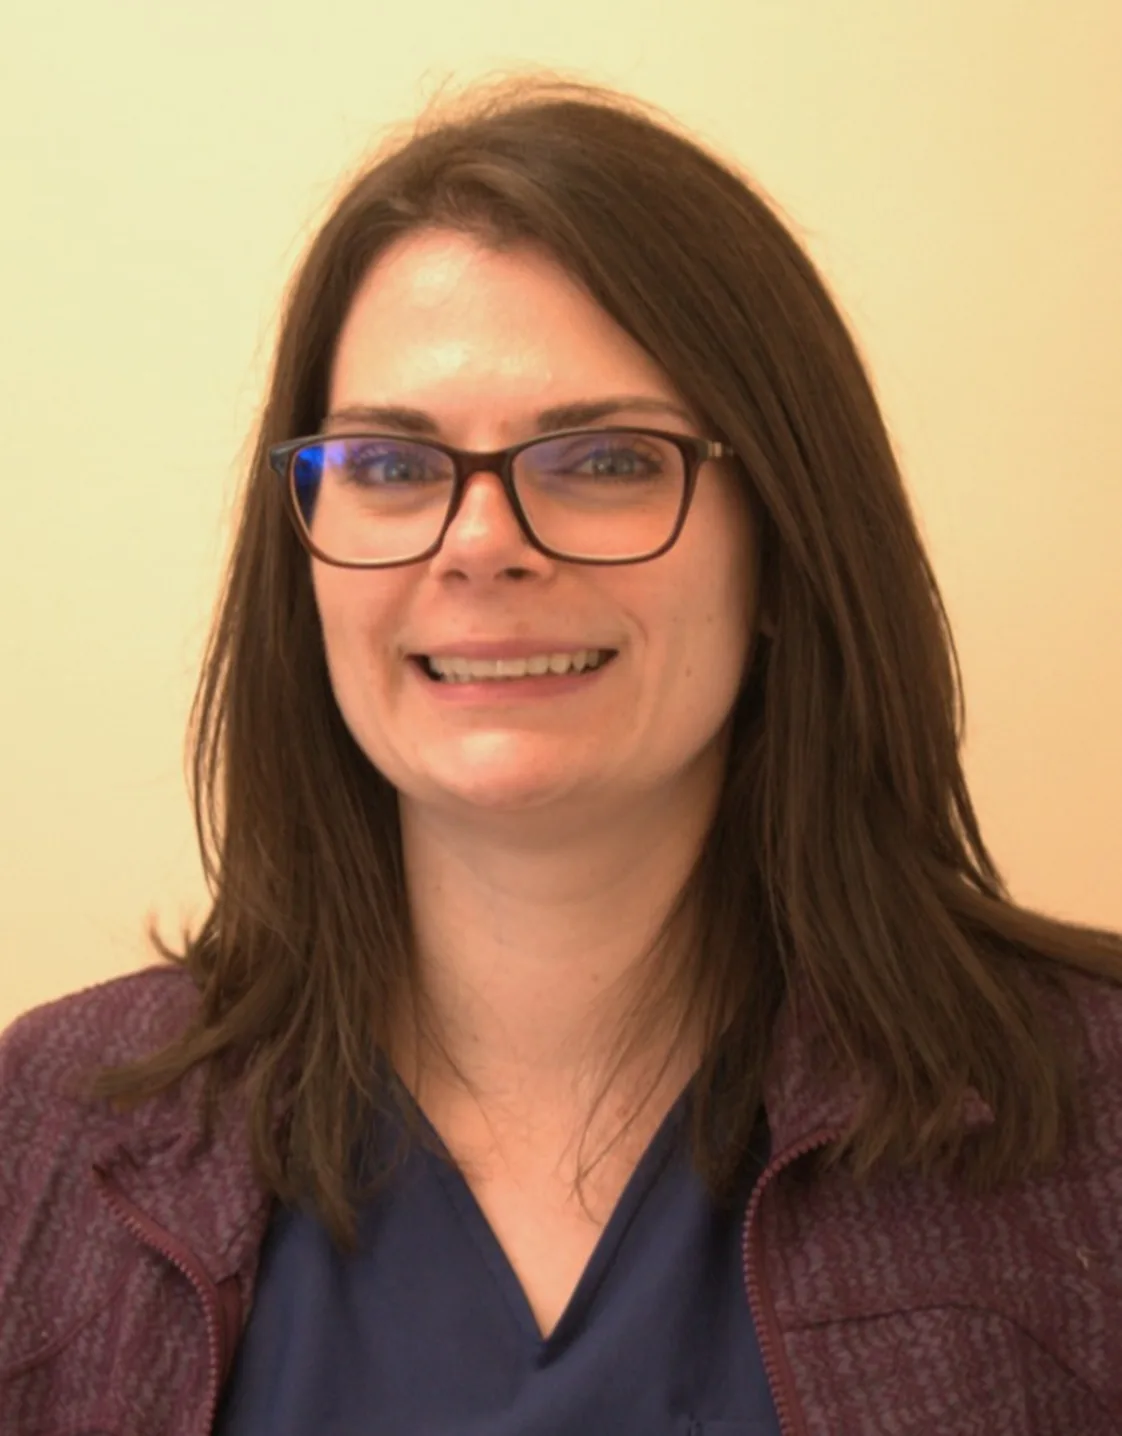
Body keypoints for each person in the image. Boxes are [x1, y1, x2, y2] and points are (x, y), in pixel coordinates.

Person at [1, 79, 1120, 1436]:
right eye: (393, 466)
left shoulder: (1092, 1128)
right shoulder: (46, 1133)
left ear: (782, 544)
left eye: (601, 458)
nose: (481, 542)